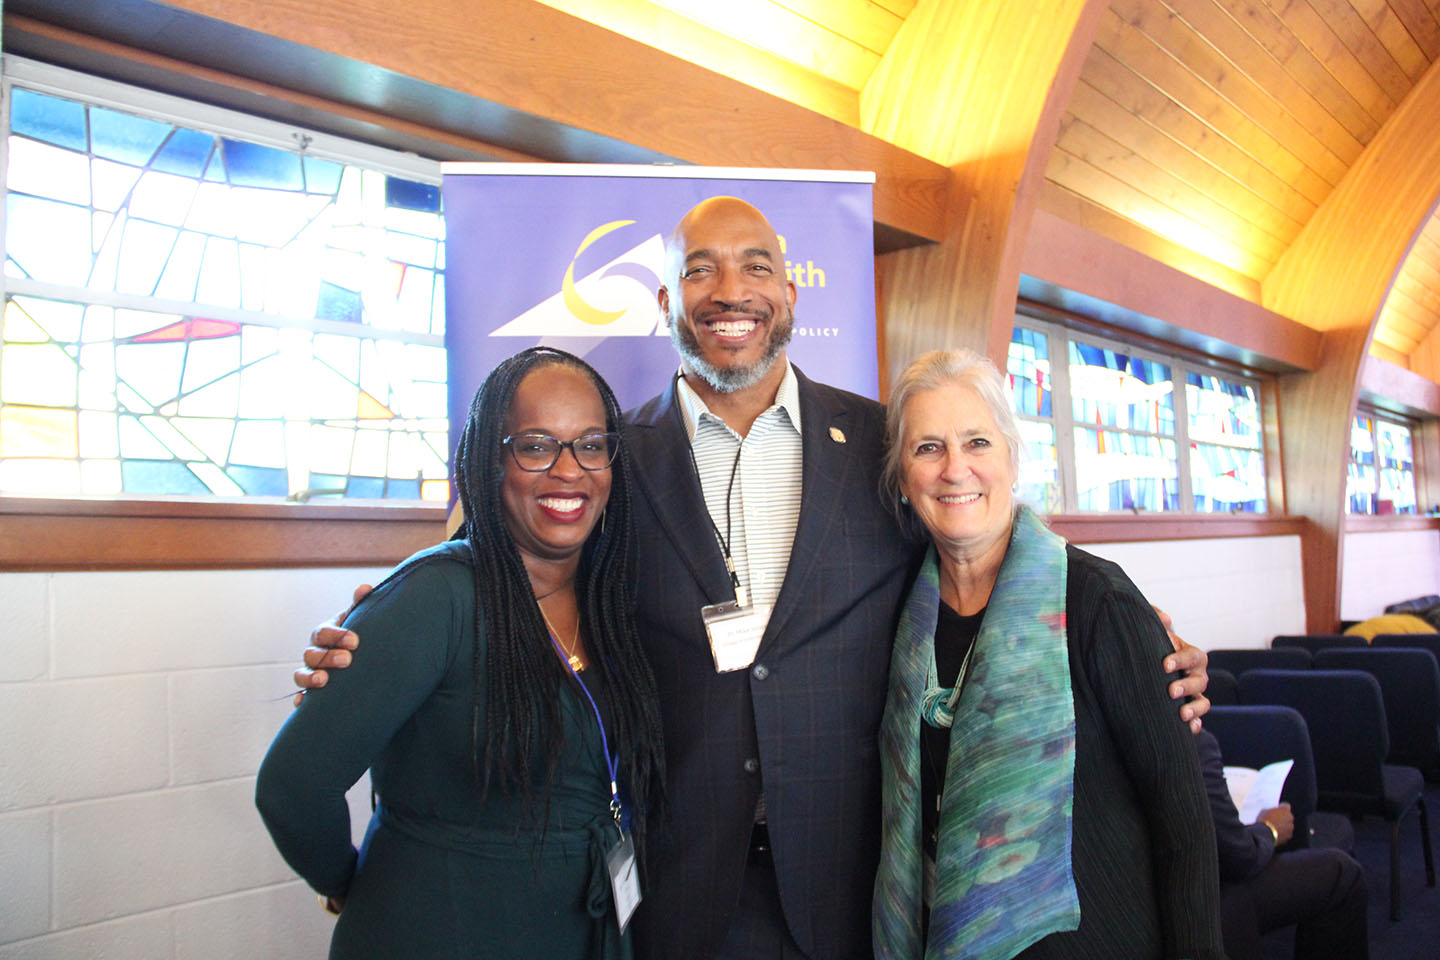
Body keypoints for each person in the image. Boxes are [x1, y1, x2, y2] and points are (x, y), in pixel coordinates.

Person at [295, 197, 1214, 960]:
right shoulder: (611, 457)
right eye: (701, 270)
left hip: (853, 885)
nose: (730, 292)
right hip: (681, 886)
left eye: (755, 267)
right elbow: (500, 560)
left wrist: (1125, 626)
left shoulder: (880, 444)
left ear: (789, 291)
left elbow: (977, 536)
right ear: (667, 299)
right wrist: (378, 627)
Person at [256, 347, 665, 959]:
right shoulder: (437, 595)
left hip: (580, 932)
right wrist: (343, 884)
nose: (569, 470)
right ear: (488, 461)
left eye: (590, 445)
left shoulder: (610, 598)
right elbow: (292, 785)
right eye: (536, 446)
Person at [871, 349, 1223, 959]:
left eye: (977, 442)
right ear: (904, 478)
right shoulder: (897, 614)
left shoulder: (1097, 600)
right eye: (928, 448)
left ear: (1011, 458)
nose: (955, 469)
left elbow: (1183, 822)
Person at [1196, 728, 1369, 960]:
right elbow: (1239, 858)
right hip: (1196, 906)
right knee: (1342, 874)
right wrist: (1270, 830)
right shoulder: (1189, 739)